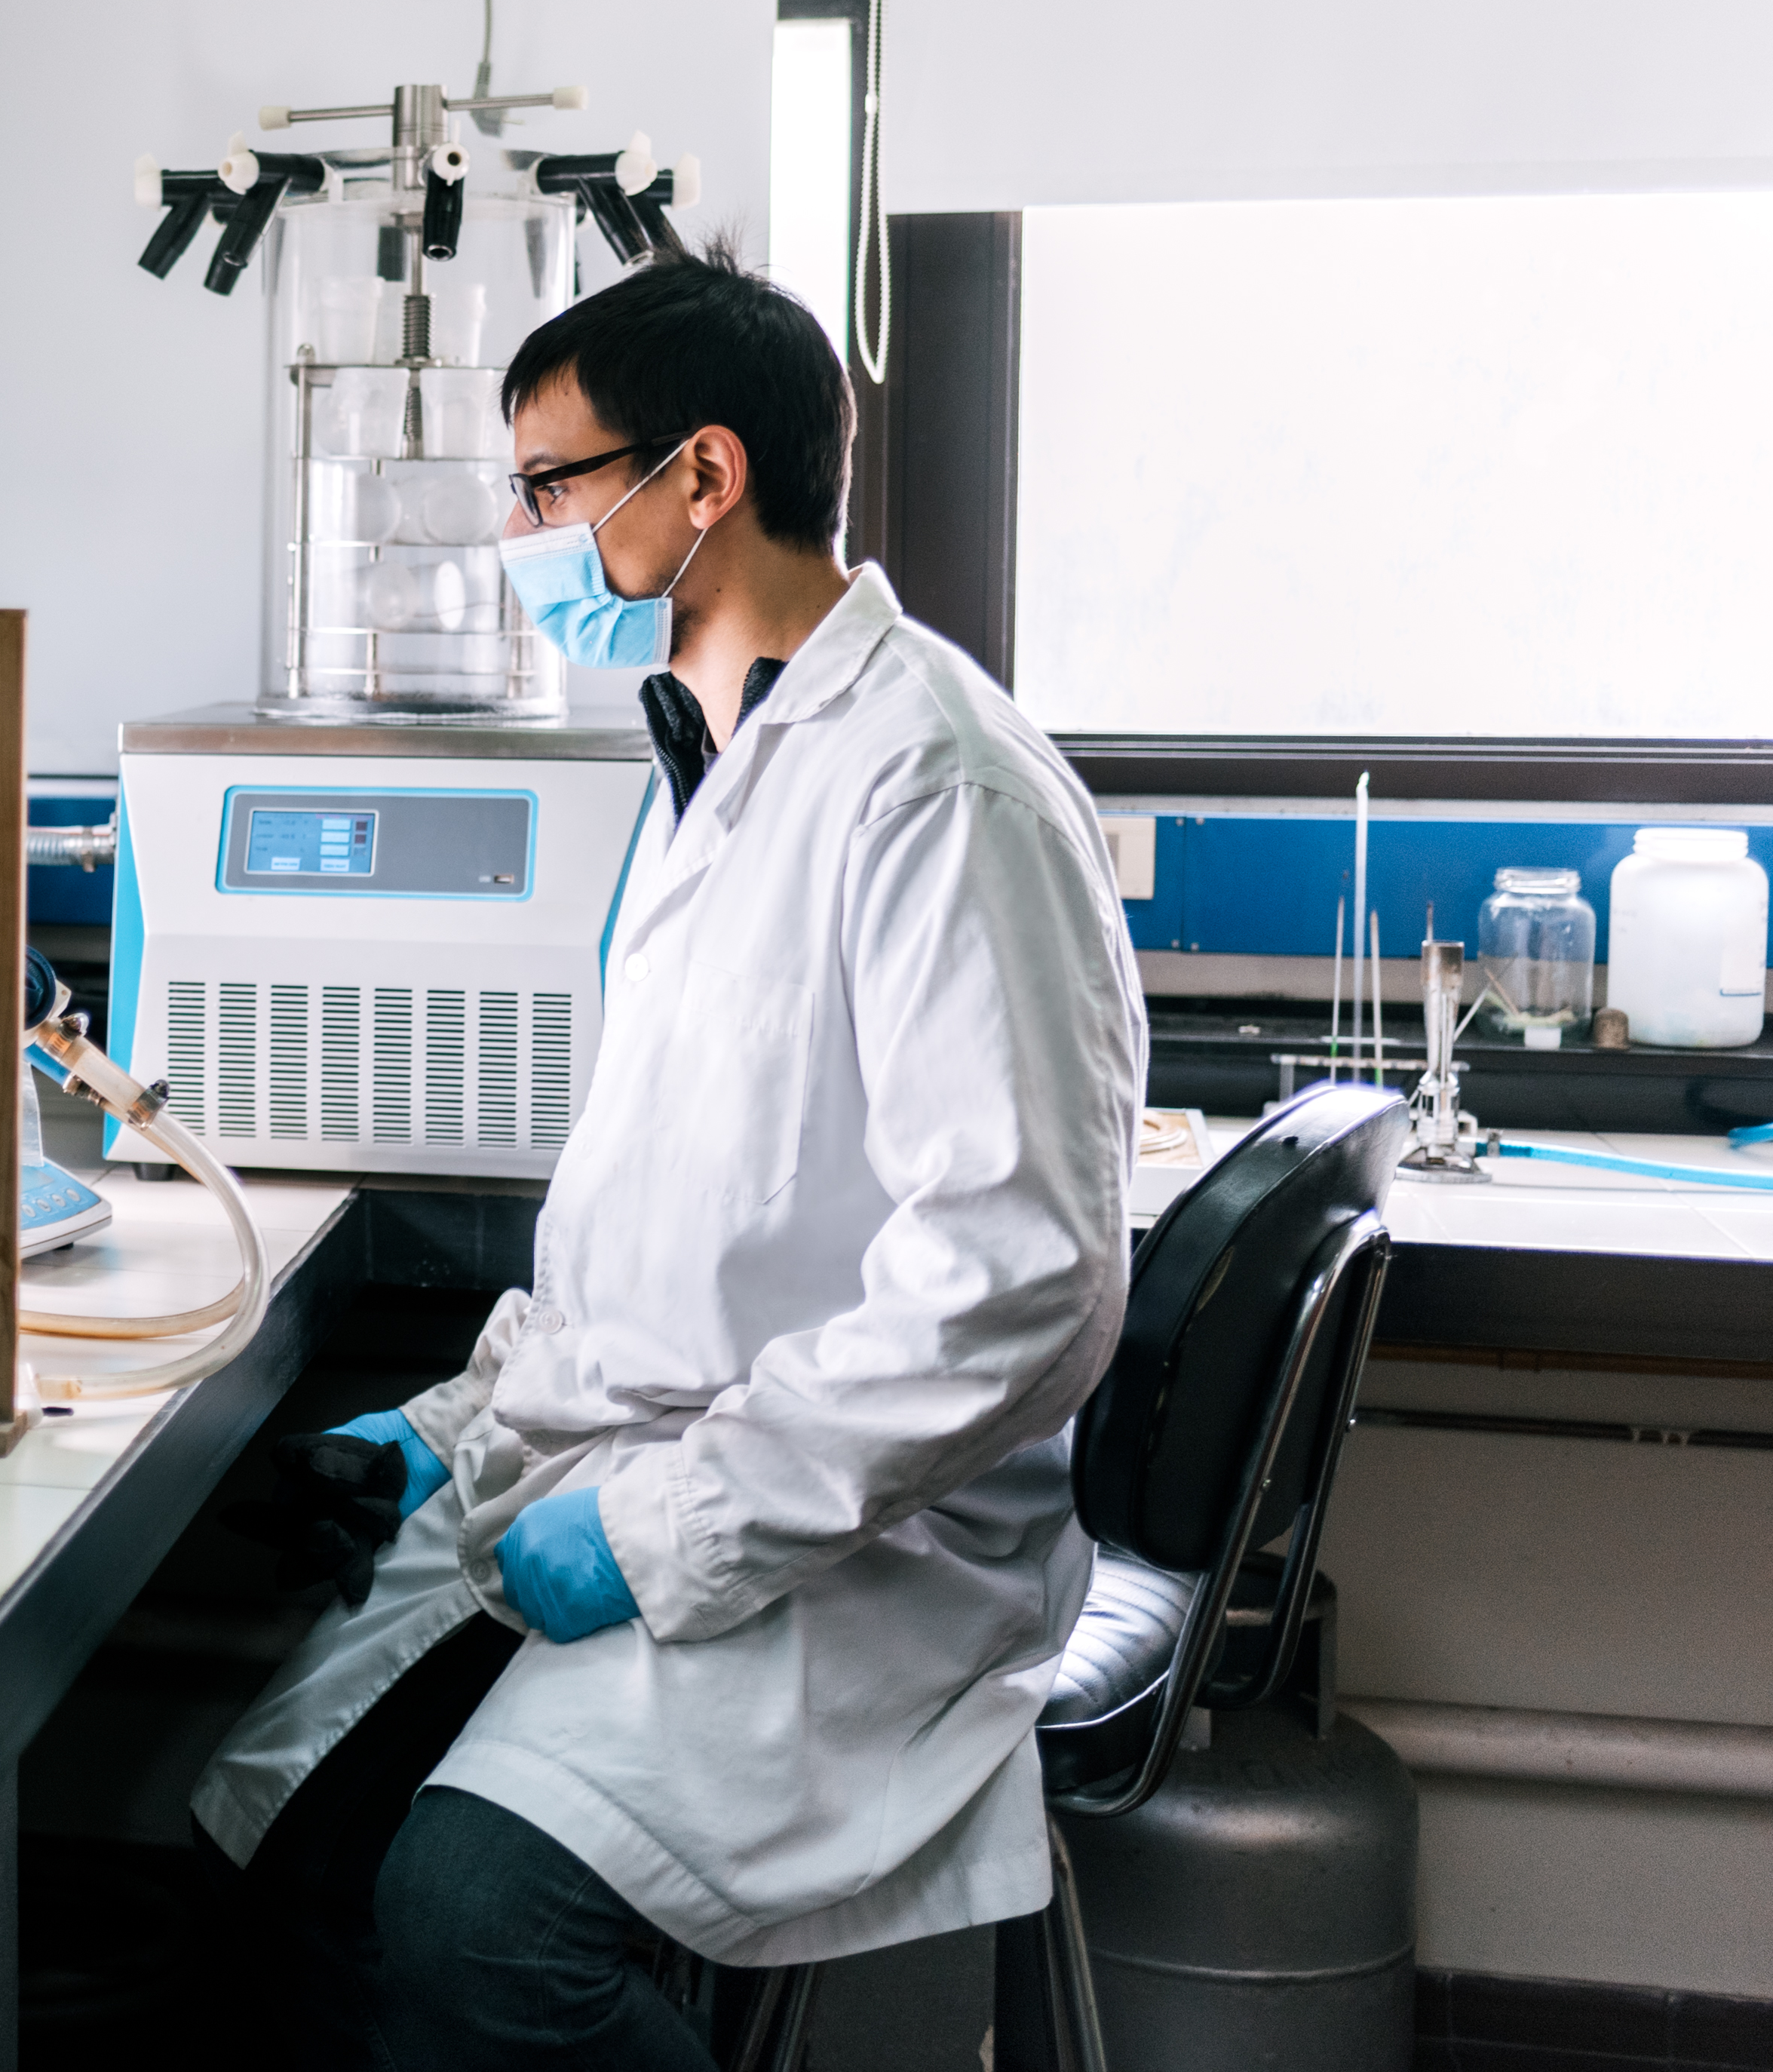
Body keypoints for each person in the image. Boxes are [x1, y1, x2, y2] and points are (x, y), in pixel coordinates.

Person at [196, 247, 1145, 2070]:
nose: (524, 536)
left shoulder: (932, 782)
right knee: (290, 1836)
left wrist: (672, 1526)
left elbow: (1020, 1286)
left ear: (699, 479)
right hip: (654, 1463)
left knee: (473, 1922)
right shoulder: (719, 762)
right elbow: (662, 1242)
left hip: (860, 1545)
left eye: (550, 487)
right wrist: (447, 1435)